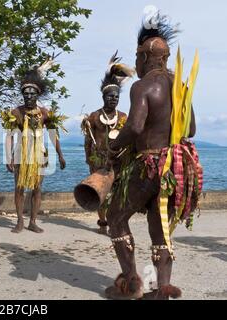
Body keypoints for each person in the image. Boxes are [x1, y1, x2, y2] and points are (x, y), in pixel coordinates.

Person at [103, 8, 203, 300]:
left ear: (145, 57)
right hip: (173, 169)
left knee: (116, 217)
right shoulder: (179, 86)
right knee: (160, 227)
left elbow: (134, 126)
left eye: (137, 59)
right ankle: (162, 287)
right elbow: (192, 128)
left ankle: (132, 283)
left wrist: (114, 145)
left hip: (147, 164)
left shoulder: (143, 86)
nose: (136, 64)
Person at [2, 59, 67, 233]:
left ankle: (33, 221)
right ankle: (19, 221)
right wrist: (8, 157)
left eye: (32, 94)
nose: (29, 97)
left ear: (37, 95)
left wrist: (60, 155)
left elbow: (53, 135)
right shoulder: (16, 112)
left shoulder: (45, 113)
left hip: (39, 155)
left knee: (37, 188)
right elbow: (9, 136)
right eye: (26, 94)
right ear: (23, 95)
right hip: (20, 155)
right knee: (19, 187)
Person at [81, 52, 133, 235]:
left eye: (116, 96)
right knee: (99, 192)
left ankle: (114, 222)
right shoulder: (94, 117)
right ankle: (103, 223)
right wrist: (89, 159)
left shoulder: (124, 118)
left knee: (117, 193)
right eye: (110, 96)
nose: (114, 99)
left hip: (117, 162)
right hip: (98, 161)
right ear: (104, 97)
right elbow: (88, 141)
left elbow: (128, 140)